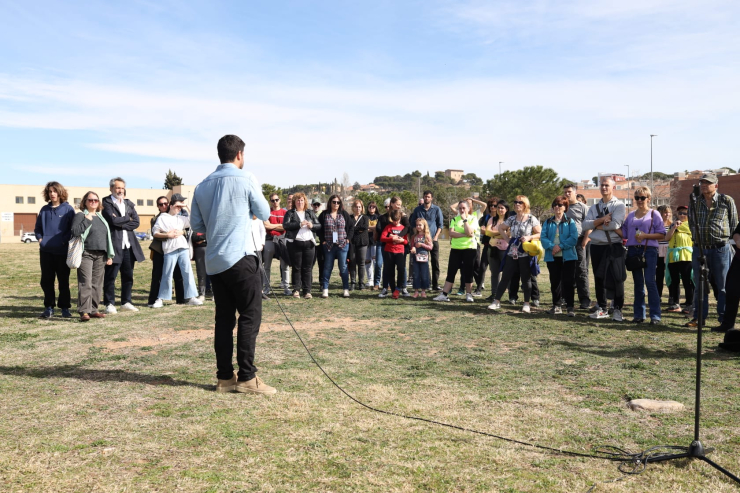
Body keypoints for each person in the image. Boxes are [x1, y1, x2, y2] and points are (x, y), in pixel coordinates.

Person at [190, 134, 275, 394]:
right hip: (241, 257)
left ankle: (225, 378)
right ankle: (248, 378)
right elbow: (265, 213)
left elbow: (197, 226)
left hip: (215, 261)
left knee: (224, 321)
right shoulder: (246, 178)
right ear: (239, 154)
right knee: (250, 316)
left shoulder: (202, 185)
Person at [686, 172, 738, 328]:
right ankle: (698, 318)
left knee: (723, 286)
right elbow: (690, 222)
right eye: (702, 182)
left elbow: (734, 225)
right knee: (700, 286)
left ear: (716, 185)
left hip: (721, 249)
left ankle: (724, 319)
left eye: (707, 183)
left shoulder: (726, 200)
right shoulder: (694, 201)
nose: (704, 185)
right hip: (700, 249)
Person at [582, 176, 627, 321]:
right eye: (602, 185)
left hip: (614, 246)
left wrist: (595, 225)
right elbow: (584, 225)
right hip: (597, 246)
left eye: (607, 185)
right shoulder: (594, 207)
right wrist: (602, 220)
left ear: (613, 187)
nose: (604, 188)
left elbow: (615, 225)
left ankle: (618, 309)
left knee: (617, 278)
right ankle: (602, 308)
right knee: (599, 278)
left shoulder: (619, 206)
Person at [487, 196, 541, 313]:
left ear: (525, 205)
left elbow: (540, 233)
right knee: (506, 277)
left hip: (526, 253)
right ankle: (496, 301)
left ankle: (526, 303)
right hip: (512, 252)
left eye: (519, 202)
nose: (516, 204)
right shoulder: (511, 218)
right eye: (515, 202)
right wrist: (507, 239)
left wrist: (529, 237)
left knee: (526, 279)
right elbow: (501, 228)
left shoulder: (531, 219)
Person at [622, 187, 666, 324]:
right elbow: (623, 233)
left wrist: (646, 236)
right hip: (633, 251)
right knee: (638, 283)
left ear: (649, 199)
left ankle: (655, 316)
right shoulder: (630, 215)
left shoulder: (654, 214)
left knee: (650, 281)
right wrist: (607, 225)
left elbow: (662, 234)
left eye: (642, 197)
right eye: (637, 198)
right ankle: (639, 314)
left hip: (649, 251)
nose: (639, 200)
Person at [101, 177, 145, 314]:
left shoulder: (128, 204)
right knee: (110, 276)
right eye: (117, 188)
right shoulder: (106, 203)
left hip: (129, 245)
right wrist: (127, 218)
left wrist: (122, 222)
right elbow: (113, 221)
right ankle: (109, 303)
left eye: (122, 188)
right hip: (114, 245)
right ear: (111, 188)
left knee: (128, 276)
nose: (120, 190)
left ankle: (126, 301)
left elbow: (136, 222)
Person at [150, 198, 203, 308]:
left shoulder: (181, 218)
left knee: (187, 273)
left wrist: (187, 206)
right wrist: (167, 235)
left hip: (183, 248)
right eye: (177, 206)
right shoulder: (162, 217)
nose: (179, 208)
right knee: (167, 274)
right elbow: (155, 233)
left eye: (180, 207)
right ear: (171, 206)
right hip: (169, 249)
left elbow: (195, 220)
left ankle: (191, 297)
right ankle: (160, 299)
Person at [71, 191, 115, 321]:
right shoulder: (81, 215)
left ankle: (94, 309)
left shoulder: (101, 218)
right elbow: (75, 231)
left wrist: (109, 255)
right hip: (86, 254)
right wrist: (87, 221)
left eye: (96, 200)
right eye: (90, 200)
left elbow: (106, 238)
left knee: (97, 284)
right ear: (85, 202)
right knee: (86, 283)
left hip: (101, 255)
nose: (93, 202)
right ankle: (84, 311)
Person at [34, 181, 76, 319]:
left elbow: (72, 229)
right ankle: (49, 307)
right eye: (50, 191)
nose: (52, 194)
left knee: (63, 280)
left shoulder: (68, 209)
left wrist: (63, 241)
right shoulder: (44, 210)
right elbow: (38, 228)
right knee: (46, 280)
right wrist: (41, 240)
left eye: (55, 191)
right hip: (46, 251)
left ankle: (65, 308)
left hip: (62, 251)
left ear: (60, 192)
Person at [434, 200, 480, 303]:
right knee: (451, 272)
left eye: (464, 208)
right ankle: (444, 294)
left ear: (468, 209)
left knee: (468, 272)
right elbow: (451, 233)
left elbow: (470, 232)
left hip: (469, 249)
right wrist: (464, 235)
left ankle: (468, 294)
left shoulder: (473, 219)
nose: (462, 210)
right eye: (460, 208)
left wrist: (465, 221)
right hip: (456, 249)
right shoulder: (454, 219)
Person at [541, 196, 579, 316]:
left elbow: (573, 238)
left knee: (568, 282)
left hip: (568, 257)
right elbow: (543, 238)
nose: (557, 207)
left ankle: (570, 307)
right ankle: (556, 306)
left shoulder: (570, 221)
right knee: (555, 281)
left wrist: (560, 246)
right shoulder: (547, 222)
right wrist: (552, 247)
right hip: (552, 257)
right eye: (555, 205)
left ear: (565, 207)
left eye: (560, 205)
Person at [147, 196, 185, 307]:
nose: (163, 206)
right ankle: (153, 300)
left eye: (165, 203)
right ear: (158, 206)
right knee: (157, 275)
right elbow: (156, 234)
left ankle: (181, 299)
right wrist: (169, 234)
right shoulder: (156, 219)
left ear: (169, 204)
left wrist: (181, 232)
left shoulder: (177, 217)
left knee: (178, 274)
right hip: (159, 250)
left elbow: (184, 230)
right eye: (160, 204)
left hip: (174, 248)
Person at [283, 192, 320, 299]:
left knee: (307, 268)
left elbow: (319, 225)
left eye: (302, 200)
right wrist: (299, 224)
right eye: (298, 200)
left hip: (309, 244)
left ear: (305, 202)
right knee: (296, 268)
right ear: (294, 202)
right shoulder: (290, 213)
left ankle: (307, 291)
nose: (300, 202)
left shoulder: (309, 213)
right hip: (295, 243)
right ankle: (296, 290)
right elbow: (285, 225)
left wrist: (312, 225)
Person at [318, 194, 354, 298]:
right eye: (334, 202)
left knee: (343, 267)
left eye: (338, 202)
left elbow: (351, 227)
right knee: (327, 267)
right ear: (330, 203)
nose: (336, 204)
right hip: (328, 245)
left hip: (342, 245)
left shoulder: (344, 214)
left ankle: (346, 289)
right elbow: (319, 228)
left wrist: (348, 239)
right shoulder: (324, 214)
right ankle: (325, 289)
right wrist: (323, 240)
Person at [563, 183, 591, 310]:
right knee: (566, 271)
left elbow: (589, 225)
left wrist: (585, 240)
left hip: (579, 242)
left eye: (569, 191)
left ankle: (584, 299)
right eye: (565, 192)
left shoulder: (583, 207)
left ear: (575, 192)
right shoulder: (563, 207)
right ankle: (566, 298)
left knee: (581, 271)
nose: (567, 194)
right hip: (565, 243)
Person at [376, 197, 411, 297]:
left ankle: (402, 288)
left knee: (401, 268)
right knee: (387, 269)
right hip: (387, 248)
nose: (399, 206)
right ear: (391, 204)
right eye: (397, 204)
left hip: (400, 248)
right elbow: (381, 231)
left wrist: (398, 237)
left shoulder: (403, 216)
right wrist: (390, 236)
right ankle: (385, 288)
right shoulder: (384, 217)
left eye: (400, 205)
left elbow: (407, 228)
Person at [410, 191, 444, 290]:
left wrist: (436, 237)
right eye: (425, 197)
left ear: (431, 198)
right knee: (422, 261)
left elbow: (440, 225)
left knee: (435, 262)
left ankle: (435, 284)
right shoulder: (417, 210)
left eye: (428, 197)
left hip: (432, 239)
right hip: (420, 240)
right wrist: (416, 236)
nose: (427, 198)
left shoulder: (436, 209)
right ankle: (426, 284)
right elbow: (413, 224)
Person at [664, 205, 694, 313]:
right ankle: (675, 303)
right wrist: (673, 228)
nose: (681, 215)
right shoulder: (673, 225)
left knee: (687, 281)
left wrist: (678, 226)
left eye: (684, 213)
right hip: (673, 257)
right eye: (680, 213)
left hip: (686, 256)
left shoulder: (691, 225)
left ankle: (690, 304)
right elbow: (667, 238)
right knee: (674, 281)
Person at [263, 193, 290, 296]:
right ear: (270, 201)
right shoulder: (267, 212)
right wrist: (279, 225)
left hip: (282, 240)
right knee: (267, 266)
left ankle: (286, 287)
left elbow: (285, 227)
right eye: (272, 200)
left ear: (279, 200)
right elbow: (266, 226)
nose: (275, 202)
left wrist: (272, 226)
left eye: (276, 200)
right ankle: (266, 288)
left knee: (285, 265)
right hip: (269, 240)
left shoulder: (285, 212)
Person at [715, 223, 740, 333]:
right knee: (731, 290)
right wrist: (738, 240)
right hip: (739, 261)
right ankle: (727, 324)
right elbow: (736, 233)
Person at [485, 200, 510, 302]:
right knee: (494, 273)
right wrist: (501, 233)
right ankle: (494, 293)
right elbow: (487, 232)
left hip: (505, 250)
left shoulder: (510, 220)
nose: (499, 210)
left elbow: (509, 234)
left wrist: (494, 233)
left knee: (507, 273)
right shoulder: (492, 219)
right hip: (493, 249)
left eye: (502, 208)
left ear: (506, 209)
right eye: (498, 207)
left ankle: (511, 295)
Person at [347, 199, 369, 291]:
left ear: (362, 208)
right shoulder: (349, 217)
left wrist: (354, 228)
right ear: (353, 207)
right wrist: (356, 229)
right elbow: (348, 228)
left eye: (359, 206)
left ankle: (361, 283)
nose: (358, 208)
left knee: (361, 263)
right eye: (356, 206)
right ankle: (353, 282)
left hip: (362, 242)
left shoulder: (365, 218)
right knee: (352, 262)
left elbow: (364, 227)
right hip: (352, 242)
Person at [410, 217, 433, 298]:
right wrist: (413, 248)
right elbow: (412, 246)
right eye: (417, 225)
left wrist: (422, 245)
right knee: (415, 274)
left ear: (424, 226)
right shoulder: (414, 236)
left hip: (424, 259)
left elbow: (430, 247)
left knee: (424, 274)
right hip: (415, 258)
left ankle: (423, 291)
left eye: (420, 225)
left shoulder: (427, 236)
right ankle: (416, 291)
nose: (418, 227)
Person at [656, 205, 672, 303]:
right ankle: (658, 296)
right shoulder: (656, 225)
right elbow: (655, 237)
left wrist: (663, 237)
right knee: (659, 275)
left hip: (670, 251)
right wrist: (665, 238)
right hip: (658, 251)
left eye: (669, 212)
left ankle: (672, 296)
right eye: (665, 212)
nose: (667, 214)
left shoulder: (672, 224)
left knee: (670, 275)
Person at [365, 201, 380, 288]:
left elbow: (378, 228)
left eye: (373, 207)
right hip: (366, 241)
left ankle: (377, 280)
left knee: (375, 261)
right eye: (370, 206)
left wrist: (370, 228)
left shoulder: (379, 217)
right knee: (367, 261)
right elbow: (364, 227)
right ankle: (370, 279)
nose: (371, 208)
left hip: (375, 241)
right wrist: (373, 228)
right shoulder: (365, 217)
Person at [311, 198, 324, 270]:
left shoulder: (324, 215)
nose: (316, 206)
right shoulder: (308, 214)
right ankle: (308, 281)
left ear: (320, 205)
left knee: (322, 263)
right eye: (314, 204)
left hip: (321, 242)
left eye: (318, 204)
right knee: (310, 264)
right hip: (311, 242)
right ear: (311, 205)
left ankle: (322, 281)